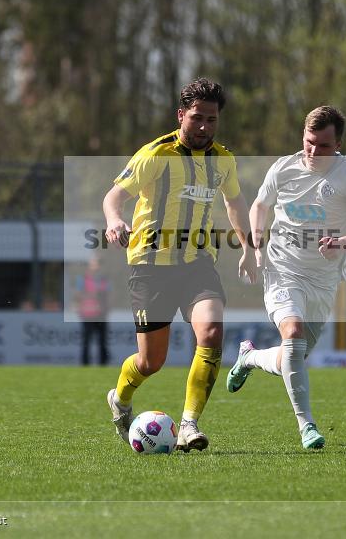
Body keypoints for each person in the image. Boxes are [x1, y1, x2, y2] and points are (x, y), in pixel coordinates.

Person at [225, 106, 346, 449]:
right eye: (309, 142)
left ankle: (250, 357)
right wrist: (255, 249)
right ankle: (307, 427)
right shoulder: (284, 168)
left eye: (324, 146)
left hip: (324, 279)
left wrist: (344, 243)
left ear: (339, 144)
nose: (314, 152)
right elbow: (259, 206)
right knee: (293, 332)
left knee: (294, 355)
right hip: (282, 267)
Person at [102, 78, 257, 452]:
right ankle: (120, 399)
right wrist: (114, 220)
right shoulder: (155, 155)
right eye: (197, 118)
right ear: (181, 115)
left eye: (212, 120)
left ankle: (189, 425)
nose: (204, 127)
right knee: (151, 361)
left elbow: (234, 203)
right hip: (150, 265)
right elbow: (114, 196)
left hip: (197, 264)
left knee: (212, 334)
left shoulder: (223, 159)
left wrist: (249, 247)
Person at [75, 257, 111, 365]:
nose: (96, 267)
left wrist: (106, 308)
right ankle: (85, 364)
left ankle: (103, 364)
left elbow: (109, 295)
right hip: (87, 314)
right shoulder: (83, 279)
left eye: (97, 264)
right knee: (86, 341)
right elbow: (78, 295)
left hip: (101, 314)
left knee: (103, 341)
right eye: (93, 264)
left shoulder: (104, 280)